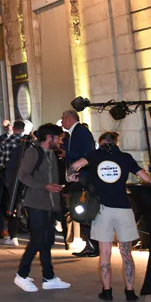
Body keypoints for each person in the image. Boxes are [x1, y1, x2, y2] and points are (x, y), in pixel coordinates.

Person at [69, 131, 150, 301]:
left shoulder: (94, 155)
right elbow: (146, 178)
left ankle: (107, 290)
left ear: (103, 142)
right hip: (123, 208)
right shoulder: (126, 157)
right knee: (126, 253)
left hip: (102, 209)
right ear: (115, 142)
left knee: (105, 252)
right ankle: (130, 291)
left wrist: (75, 176)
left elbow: (74, 166)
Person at [13, 124, 71, 293]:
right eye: (58, 137)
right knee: (38, 240)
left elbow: (51, 177)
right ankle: (21, 275)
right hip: (36, 204)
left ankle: (49, 277)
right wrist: (44, 186)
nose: (60, 141)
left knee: (46, 241)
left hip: (49, 205)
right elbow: (23, 175)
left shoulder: (50, 153)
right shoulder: (34, 152)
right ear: (49, 138)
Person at [62, 109, 98, 258]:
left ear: (69, 119)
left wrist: (67, 154)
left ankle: (92, 245)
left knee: (84, 210)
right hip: (78, 176)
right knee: (80, 211)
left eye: (63, 119)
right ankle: (89, 244)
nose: (62, 122)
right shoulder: (73, 133)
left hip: (84, 178)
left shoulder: (81, 132)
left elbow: (87, 153)